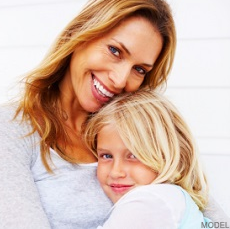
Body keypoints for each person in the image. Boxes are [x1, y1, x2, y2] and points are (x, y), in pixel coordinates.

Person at [0, 0, 228, 229]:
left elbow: (216, 220)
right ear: (79, 34)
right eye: (115, 51)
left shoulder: (141, 131)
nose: (119, 80)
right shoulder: (7, 130)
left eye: (139, 69)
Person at [83, 88, 212, 228]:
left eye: (133, 155)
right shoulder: (172, 198)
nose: (115, 172)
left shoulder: (151, 200)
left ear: (166, 155)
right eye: (107, 156)